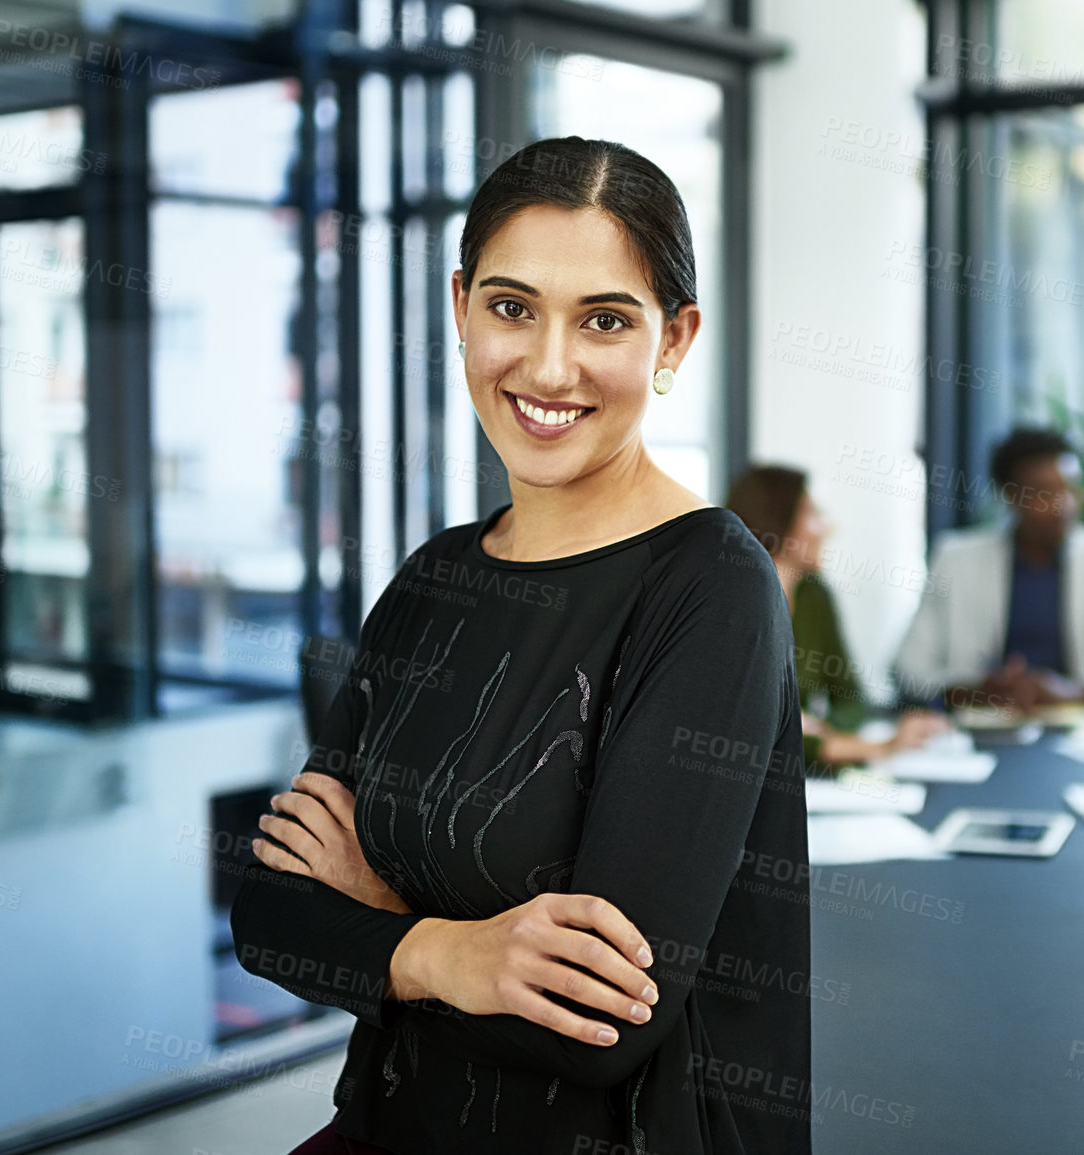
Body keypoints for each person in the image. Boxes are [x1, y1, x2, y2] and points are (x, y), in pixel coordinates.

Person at [229, 137, 811, 1155]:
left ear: (673, 341)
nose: (549, 367)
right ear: (461, 309)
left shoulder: (711, 587)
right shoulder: (434, 578)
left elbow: (599, 1028)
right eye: (511, 308)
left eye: (605, 320)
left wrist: (377, 912)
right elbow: (270, 912)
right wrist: (454, 951)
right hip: (389, 1124)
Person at [893, 427, 1084, 715]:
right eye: (1044, 493)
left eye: (1071, 487)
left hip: (1082, 729)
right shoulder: (955, 558)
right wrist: (974, 690)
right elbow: (909, 670)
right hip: (984, 727)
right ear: (1010, 496)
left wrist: (1077, 692)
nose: (1065, 506)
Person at [725, 465, 947, 774]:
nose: (827, 529)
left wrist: (819, 729)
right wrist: (870, 746)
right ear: (778, 521)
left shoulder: (813, 596)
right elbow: (745, 731)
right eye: (813, 515)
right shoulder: (728, 604)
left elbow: (851, 698)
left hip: (808, 779)